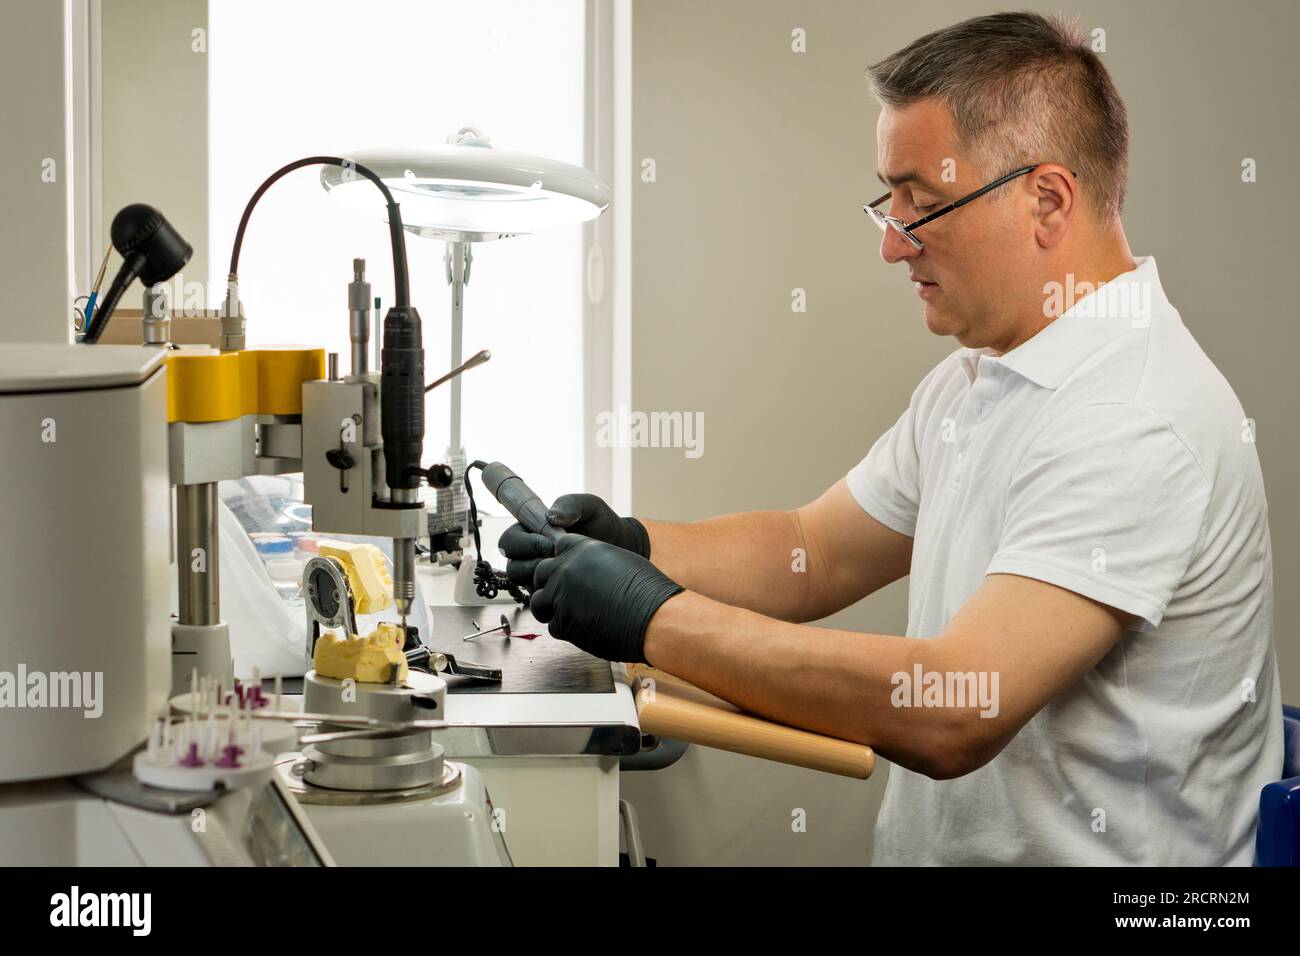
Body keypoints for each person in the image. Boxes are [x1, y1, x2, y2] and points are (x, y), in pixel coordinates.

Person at [499, 11, 1281, 866]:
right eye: (889, 197)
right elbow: (813, 551)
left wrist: (652, 615)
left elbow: (955, 710)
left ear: (1048, 200)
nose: (890, 243)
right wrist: (634, 544)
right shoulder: (986, 373)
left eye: (925, 202)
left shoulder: (1136, 415)